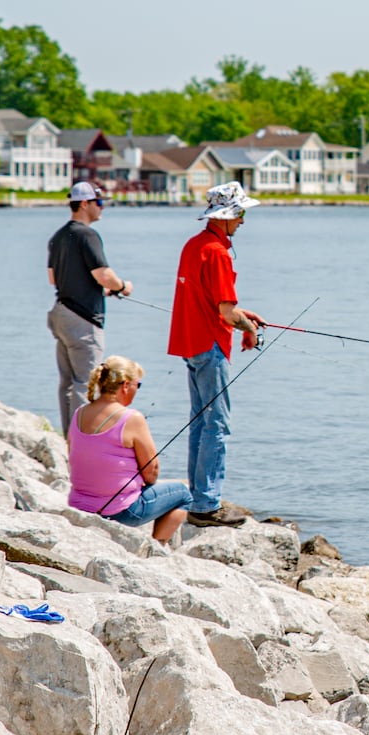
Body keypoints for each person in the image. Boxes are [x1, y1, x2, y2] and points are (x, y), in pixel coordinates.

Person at [167, 182, 267, 528]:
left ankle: (198, 497)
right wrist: (249, 329)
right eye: (239, 213)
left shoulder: (194, 246)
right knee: (217, 424)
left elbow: (215, 303)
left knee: (200, 421)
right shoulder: (219, 252)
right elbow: (225, 313)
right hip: (210, 346)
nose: (242, 220)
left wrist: (243, 315)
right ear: (224, 217)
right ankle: (207, 505)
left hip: (190, 343)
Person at [67, 356, 191, 543]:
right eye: (137, 385)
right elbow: (152, 473)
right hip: (120, 511)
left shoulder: (80, 412)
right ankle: (156, 547)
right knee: (185, 492)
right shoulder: (132, 418)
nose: (136, 390)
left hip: (79, 506)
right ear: (125, 385)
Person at [47, 181, 132, 430]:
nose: (102, 208)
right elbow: (104, 274)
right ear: (85, 204)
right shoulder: (87, 235)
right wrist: (121, 286)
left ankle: (69, 437)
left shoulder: (58, 236)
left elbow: (54, 278)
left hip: (61, 313)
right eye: (99, 202)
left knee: (67, 383)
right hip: (83, 319)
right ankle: (83, 440)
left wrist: (97, 287)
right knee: (87, 382)